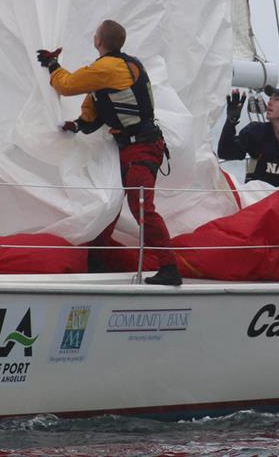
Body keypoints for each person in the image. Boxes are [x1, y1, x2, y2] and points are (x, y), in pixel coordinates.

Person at [37, 19, 181, 286]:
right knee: (111, 201)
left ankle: (170, 268)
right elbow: (96, 106)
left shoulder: (106, 68)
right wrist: (78, 124)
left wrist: (53, 66)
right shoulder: (129, 64)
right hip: (137, 147)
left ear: (98, 41)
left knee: (141, 209)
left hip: (141, 149)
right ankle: (98, 258)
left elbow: (66, 85)